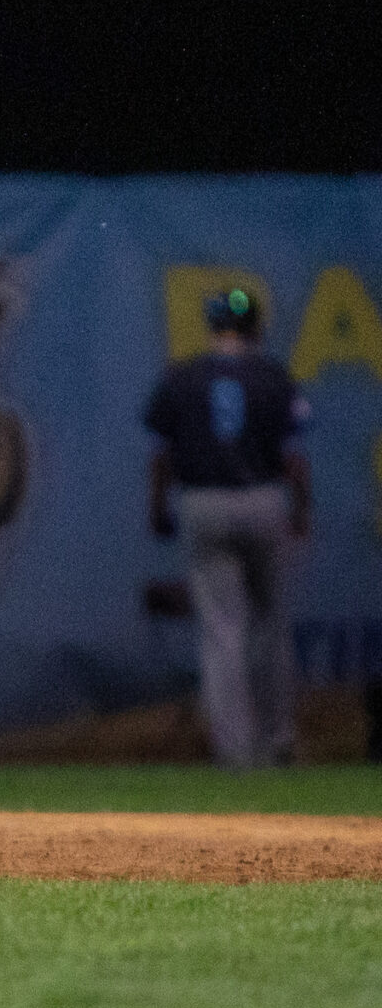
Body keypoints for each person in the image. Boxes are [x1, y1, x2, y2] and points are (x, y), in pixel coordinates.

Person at [143, 288, 313, 768]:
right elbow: (295, 460)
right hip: (263, 499)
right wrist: (301, 513)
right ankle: (278, 741)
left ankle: (237, 752)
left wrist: (158, 510)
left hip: (203, 502)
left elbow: (162, 456)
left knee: (222, 630)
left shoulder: (183, 377)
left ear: (212, 326)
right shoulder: (273, 376)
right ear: (256, 327)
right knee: (270, 625)